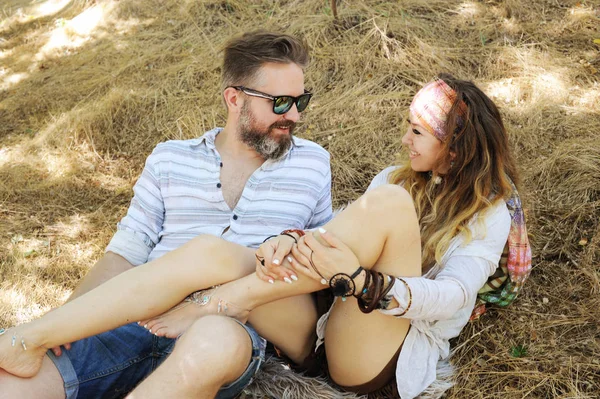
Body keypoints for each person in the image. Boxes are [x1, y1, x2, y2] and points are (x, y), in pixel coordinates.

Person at [0, 74, 530, 399]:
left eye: (418, 131)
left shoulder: (490, 212)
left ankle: (219, 303)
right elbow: (337, 234)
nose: (405, 139)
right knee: (209, 250)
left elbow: (455, 297)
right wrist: (290, 239)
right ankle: (27, 338)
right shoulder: (396, 179)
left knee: (387, 204)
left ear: (455, 148)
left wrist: (367, 284)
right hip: (321, 324)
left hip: (378, 352)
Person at [0, 30, 333, 399]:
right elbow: (125, 253)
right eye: (281, 102)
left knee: (213, 339)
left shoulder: (313, 164)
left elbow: (319, 262)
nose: (296, 115)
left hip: (232, 326)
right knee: (14, 384)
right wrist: (63, 325)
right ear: (234, 98)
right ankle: (26, 341)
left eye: (301, 99)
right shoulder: (170, 158)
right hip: (141, 317)